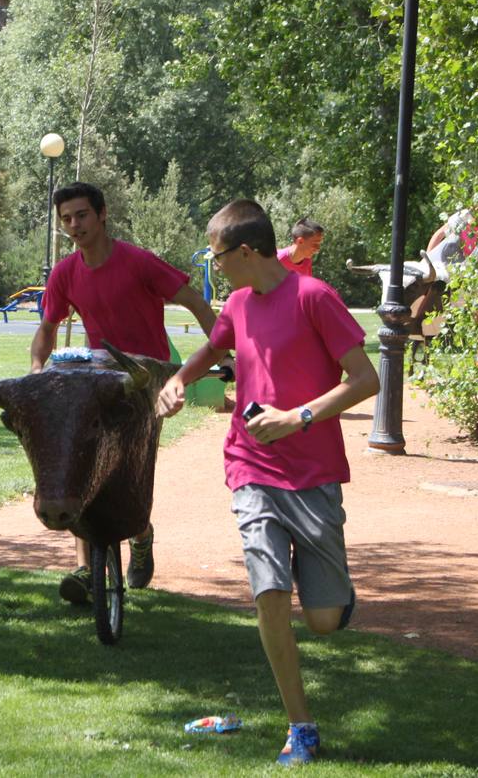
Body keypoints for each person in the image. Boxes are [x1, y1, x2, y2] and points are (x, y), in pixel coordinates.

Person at [155, 199, 379, 767]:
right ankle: (300, 726)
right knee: (269, 593)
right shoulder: (236, 302)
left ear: (247, 252)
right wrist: (179, 380)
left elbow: (366, 378)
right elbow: (214, 347)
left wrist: (297, 416)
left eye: (218, 254)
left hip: (313, 472)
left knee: (323, 621)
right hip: (251, 465)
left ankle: (333, 596)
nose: (215, 264)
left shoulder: (315, 298)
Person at [30, 181, 218, 604]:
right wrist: (37, 373)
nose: (74, 225)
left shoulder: (137, 262)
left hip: (145, 380)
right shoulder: (65, 273)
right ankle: (83, 568)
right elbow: (47, 329)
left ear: (101, 214)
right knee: (80, 459)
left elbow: (195, 302)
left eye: (81, 215)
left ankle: (141, 532)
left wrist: (226, 352)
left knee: (130, 468)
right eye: (66, 219)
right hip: (96, 379)